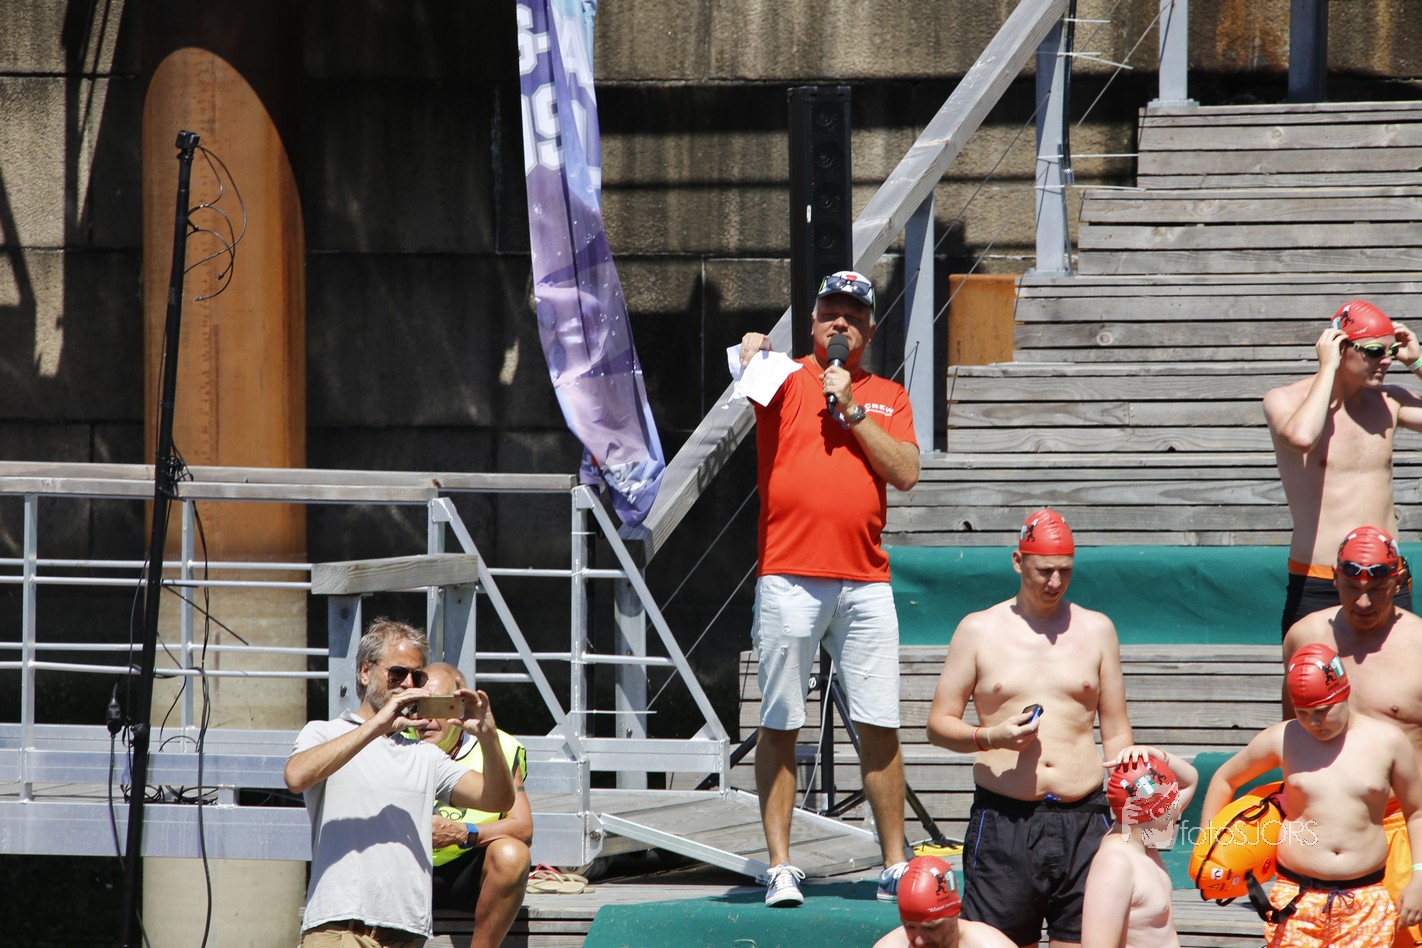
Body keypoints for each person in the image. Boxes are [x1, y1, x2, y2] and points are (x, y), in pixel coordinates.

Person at [736, 269, 920, 907]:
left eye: (853, 315)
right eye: (830, 313)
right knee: (781, 721)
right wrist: (753, 346)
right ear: (812, 322)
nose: (841, 322)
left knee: (880, 722)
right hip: (789, 574)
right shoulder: (783, 376)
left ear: (869, 328)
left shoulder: (888, 395)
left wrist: (852, 411)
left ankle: (894, 863)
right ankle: (780, 866)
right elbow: (745, 367)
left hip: (866, 581)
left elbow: (906, 472)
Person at [926, 508, 1134, 948]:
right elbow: (938, 725)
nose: (1055, 582)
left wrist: (1132, 816)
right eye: (1044, 571)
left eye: (1065, 571)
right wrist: (990, 737)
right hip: (1005, 822)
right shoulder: (978, 630)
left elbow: (1116, 732)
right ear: (1018, 562)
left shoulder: (1098, 629)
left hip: (1085, 820)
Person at [285, 618, 515, 947]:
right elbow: (296, 777)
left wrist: (488, 738)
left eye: (416, 677)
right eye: (397, 674)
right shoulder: (325, 732)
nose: (407, 684)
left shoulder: (424, 754)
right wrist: (379, 724)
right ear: (366, 672)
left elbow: (497, 799)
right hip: (341, 929)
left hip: (405, 934)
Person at [1200, 643, 1422, 944]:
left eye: (1322, 711)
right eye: (1302, 713)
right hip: (1296, 897)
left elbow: (1417, 812)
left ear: (1344, 693)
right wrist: (1210, 848)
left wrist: (1419, 876)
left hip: (1365, 899)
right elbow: (1225, 779)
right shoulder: (1283, 738)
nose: (1314, 723)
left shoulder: (1388, 742)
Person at [1283, 525, 1422, 947]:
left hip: (1403, 829)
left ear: (1399, 580)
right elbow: (1291, 735)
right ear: (1333, 577)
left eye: (1377, 589)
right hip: (1321, 832)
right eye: (1351, 587)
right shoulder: (1304, 637)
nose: (1363, 602)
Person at [1263, 300, 1422, 636]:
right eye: (1375, 351)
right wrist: (1327, 370)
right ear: (1338, 347)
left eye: (1391, 351)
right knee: (1313, 672)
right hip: (1319, 578)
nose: (1387, 360)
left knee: (1397, 671)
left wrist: (1417, 362)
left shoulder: (1390, 401)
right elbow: (1302, 437)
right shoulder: (1285, 400)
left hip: (1384, 578)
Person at [412, 663, 532, 948]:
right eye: (417, 706)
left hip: (469, 870)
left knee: (512, 854)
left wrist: (463, 833)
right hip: (409, 869)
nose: (425, 719)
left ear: (461, 706)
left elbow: (523, 828)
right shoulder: (395, 741)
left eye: (437, 707)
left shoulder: (500, 745)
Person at [1081, 747, 1199, 948]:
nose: (1177, 810)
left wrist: (1154, 754)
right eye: (1172, 803)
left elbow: (1192, 780)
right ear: (1155, 812)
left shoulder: (1142, 843)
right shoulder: (1115, 865)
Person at [872, 855, 1016, 948]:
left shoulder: (991, 945)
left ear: (955, 913)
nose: (919, 941)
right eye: (910, 927)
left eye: (931, 928)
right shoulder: (889, 946)